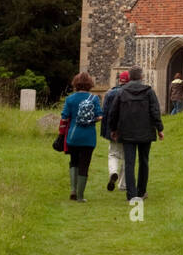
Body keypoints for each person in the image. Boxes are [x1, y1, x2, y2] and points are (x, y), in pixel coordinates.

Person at [106, 66, 163, 202]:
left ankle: (131, 194)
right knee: (144, 161)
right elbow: (155, 111)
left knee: (129, 163)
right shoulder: (149, 92)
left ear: (130, 77)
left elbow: (114, 113)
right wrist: (159, 129)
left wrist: (113, 129)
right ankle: (141, 191)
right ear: (142, 77)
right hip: (145, 132)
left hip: (127, 132)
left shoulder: (122, 92)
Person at [60, 72, 103, 202]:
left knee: (74, 161)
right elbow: (100, 116)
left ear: (76, 84)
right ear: (90, 84)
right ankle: (80, 196)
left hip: (73, 135)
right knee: (84, 165)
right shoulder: (94, 99)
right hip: (88, 137)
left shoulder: (70, 99)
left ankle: (73, 189)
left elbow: (64, 117)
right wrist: (91, 120)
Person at [102, 70, 130, 192]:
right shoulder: (132, 93)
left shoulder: (110, 93)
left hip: (113, 130)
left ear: (119, 80)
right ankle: (122, 184)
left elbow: (106, 114)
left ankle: (113, 172)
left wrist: (106, 132)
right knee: (126, 157)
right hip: (128, 131)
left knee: (113, 154)